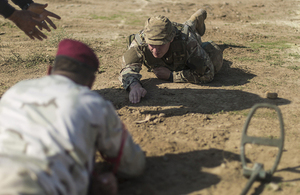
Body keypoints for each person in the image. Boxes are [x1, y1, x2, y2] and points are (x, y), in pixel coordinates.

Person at [0, 39, 145, 195]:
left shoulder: (14, 91)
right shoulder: (94, 104)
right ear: (91, 82)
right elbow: (132, 166)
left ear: (49, 71)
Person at [119, 9, 223, 103]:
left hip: (189, 38)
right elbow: (127, 69)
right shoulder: (139, 42)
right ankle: (192, 20)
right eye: (151, 45)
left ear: (171, 39)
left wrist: (172, 76)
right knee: (186, 26)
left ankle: (195, 21)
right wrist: (134, 85)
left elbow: (207, 73)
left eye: (161, 44)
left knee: (212, 53)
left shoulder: (187, 40)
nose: (155, 50)